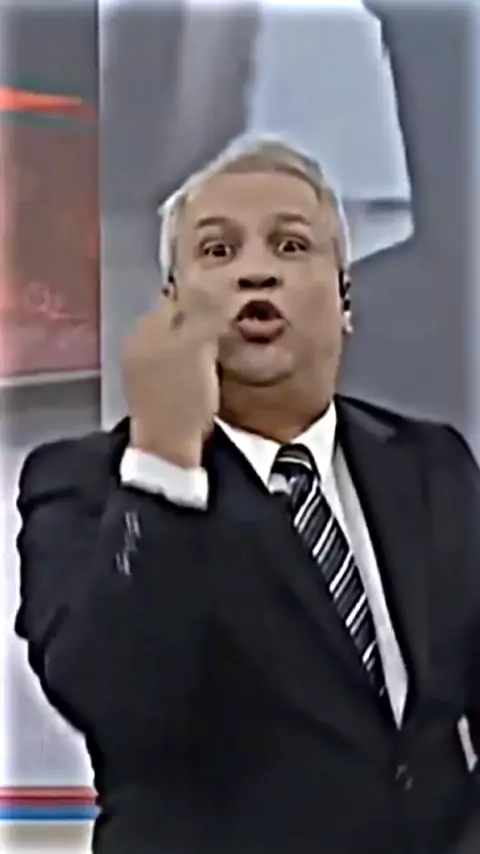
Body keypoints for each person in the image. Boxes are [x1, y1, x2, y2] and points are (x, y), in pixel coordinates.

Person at [15, 135, 480, 854]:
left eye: (291, 246)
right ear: (171, 306)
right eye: (217, 251)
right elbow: (117, 699)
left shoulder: (432, 465)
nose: (256, 271)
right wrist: (165, 460)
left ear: (345, 297)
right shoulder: (85, 484)